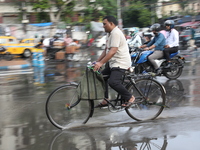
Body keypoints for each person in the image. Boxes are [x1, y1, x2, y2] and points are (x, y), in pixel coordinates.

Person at [93, 15, 135, 108]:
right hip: (113, 62)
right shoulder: (110, 33)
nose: (103, 26)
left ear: (111, 24)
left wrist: (101, 63)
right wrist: (97, 61)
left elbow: (113, 51)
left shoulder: (116, 33)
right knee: (101, 77)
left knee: (113, 82)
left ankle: (130, 97)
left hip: (120, 62)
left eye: (104, 24)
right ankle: (106, 99)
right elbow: (106, 50)